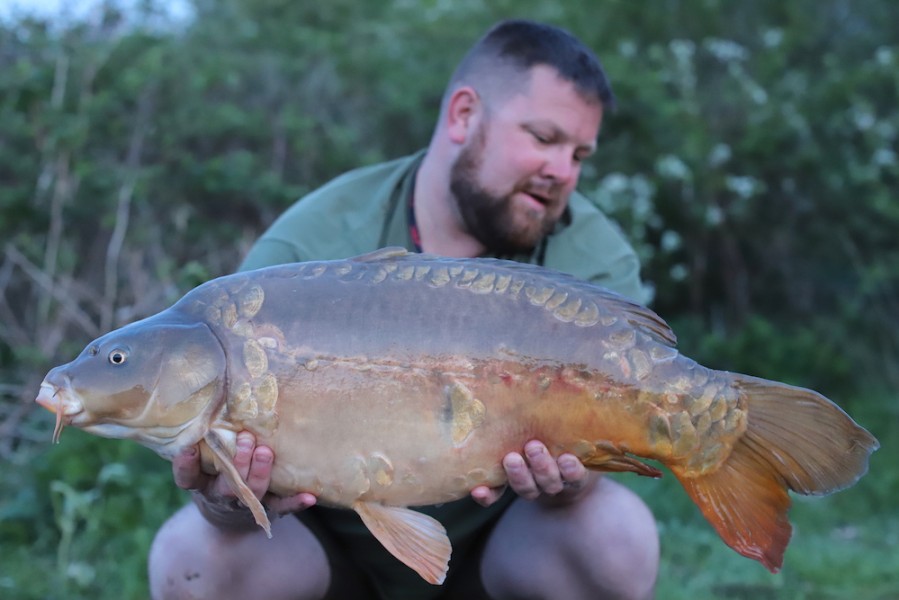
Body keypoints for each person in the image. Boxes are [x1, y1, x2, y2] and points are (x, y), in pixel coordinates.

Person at [149, 19, 659, 600]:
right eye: (544, 139)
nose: (563, 172)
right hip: (326, 558)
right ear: (464, 115)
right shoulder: (307, 247)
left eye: (579, 154)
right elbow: (223, 473)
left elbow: (614, 437)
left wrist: (573, 482)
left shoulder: (588, 256)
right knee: (191, 556)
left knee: (616, 537)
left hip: (500, 558)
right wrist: (227, 503)